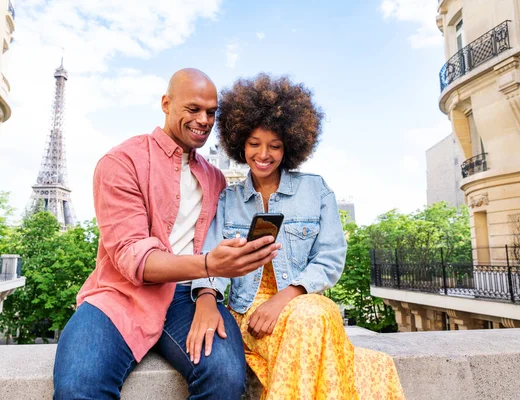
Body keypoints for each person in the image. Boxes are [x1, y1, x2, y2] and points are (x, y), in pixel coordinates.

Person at [52, 68, 282, 400]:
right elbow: (134, 257)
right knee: (78, 387)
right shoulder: (122, 161)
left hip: (188, 299)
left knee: (225, 376)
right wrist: (210, 266)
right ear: (166, 104)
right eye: (193, 109)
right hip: (120, 295)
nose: (204, 119)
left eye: (211, 112)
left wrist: (207, 294)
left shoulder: (216, 178)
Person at [188, 74, 405, 399]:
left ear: (289, 145)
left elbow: (330, 258)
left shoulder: (315, 190)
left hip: (304, 300)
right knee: (314, 336)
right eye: (254, 144)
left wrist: (285, 296)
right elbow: (211, 262)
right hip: (249, 311)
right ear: (240, 143)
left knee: (313, 317)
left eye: (274, 145)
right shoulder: (228, 200)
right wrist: (206, 298)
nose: (264, 154)